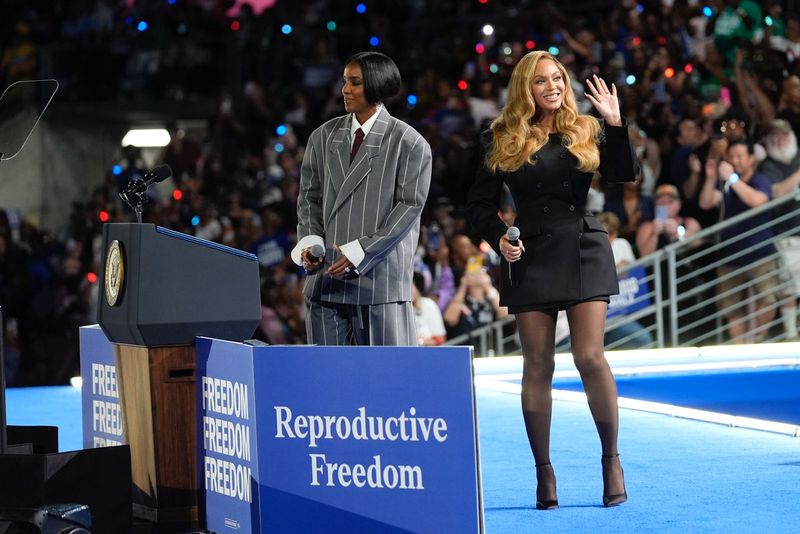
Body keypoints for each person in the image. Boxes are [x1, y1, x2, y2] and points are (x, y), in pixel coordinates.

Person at [467, 50, 636, 509]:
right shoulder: (500, 137)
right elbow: (478, 208)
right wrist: (499, 239)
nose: (553, 86)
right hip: (529, 253)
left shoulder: (585, 128)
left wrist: (616, 125)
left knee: (589, 356)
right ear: (526, 88)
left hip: (583, 244)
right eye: (541, 81)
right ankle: (544, 474)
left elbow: (624, 175)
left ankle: (611, 460)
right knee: (537, 364)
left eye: (558, 78)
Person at [290, 51, 432, 345]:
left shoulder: (409, 142)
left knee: (385, 384)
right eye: (345, 81)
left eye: (355, 82)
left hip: (381, 285)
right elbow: (308, 199)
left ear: (377, 85)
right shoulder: (322, 136)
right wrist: (309, 241)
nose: (345, 89)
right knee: (328, 385)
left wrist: (361, 251)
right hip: (326, 281)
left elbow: (408, 209)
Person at [699, 140, 779, 343]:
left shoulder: (760, 179)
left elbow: (758, 201)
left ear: (751, 159)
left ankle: (757, 340)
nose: (735, 160)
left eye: (740, 156)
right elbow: (706, 202)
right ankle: (740, 346)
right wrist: (710, 178)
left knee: (768, 299)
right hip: (730, 255)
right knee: (731, 308)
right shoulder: (726, 182)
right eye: (731, 156)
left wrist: (733, 179)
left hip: (760, 253)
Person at [758, 119, 800, 339]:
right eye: (776, 136)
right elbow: (776, 192)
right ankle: (792, 334)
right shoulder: (769, 166)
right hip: (787, 235)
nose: (781, 139)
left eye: (784, 135)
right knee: (789, 288)